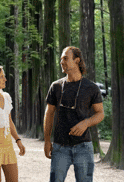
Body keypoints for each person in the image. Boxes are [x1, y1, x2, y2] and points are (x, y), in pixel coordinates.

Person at [43, 46, 104, 182]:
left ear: (77, 60)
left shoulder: (91, 87)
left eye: (65, 58)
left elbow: (100, 113)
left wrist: (86, 123)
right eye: (61, 59)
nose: (61, 62)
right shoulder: (56, 86)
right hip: (60, 147)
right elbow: (49, 114)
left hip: (83, 147)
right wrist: (47, 141)